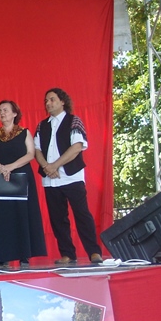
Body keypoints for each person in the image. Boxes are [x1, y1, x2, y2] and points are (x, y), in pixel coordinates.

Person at [34, 88, 103, 265]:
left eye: (52, 99)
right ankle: (68, 254)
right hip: (50, 180)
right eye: (46, 101)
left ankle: (94, 251)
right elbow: (36, 150)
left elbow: (77, 147)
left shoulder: (74, 120)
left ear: (62, 101)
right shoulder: (42, 125)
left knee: (82, 214)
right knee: (58, 219)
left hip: (71, 176)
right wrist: (47, 167)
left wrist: (54, 165)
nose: (48, 103)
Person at [0, 101, 47, 267]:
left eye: (5, 110)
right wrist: (1, 168)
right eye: (0, 111)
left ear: (14, 113)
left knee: (21, 215)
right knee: (1, 217)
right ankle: (2, 255)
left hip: (20, 178)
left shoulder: (24, 133)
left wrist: (10, 167)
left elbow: (30, 154)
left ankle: (24, 254)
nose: (2, 113)